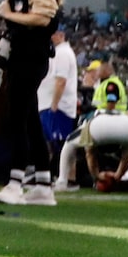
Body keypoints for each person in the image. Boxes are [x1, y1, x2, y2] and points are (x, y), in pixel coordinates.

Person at [0, 0, 63, 206]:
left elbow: (43, 18)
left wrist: (8, 14)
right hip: (23, 56)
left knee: (17, 116)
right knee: (29, 118)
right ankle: (43, 184)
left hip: (31, 56)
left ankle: (15, 182)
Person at [39, 25, 79, 158]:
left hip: (57, 108)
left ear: (61, 35)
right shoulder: (58, 52)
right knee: (51, 146)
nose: (50, 37)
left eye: (52, 34)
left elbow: (61, 81)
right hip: (50, 106)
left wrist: (54, 107)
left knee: (60, 147)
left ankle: (63, 176)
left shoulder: (62, 53)